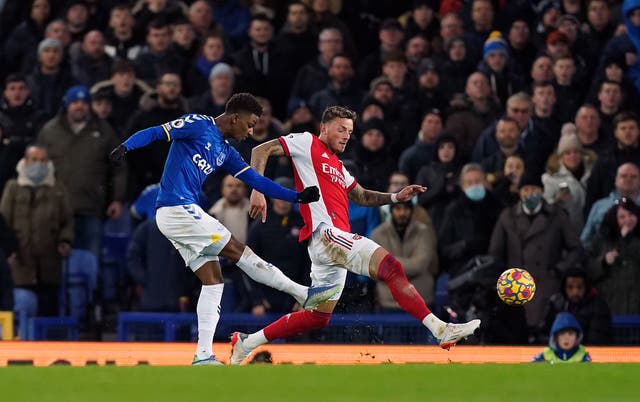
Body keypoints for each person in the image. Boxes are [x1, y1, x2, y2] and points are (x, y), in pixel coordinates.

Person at [230, 106, 480, 365]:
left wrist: (395, 197)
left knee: (318, 316)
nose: (347, 135)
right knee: (391, 267)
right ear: (324, 128)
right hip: (326, 234)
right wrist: (257, 190)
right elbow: (261, 150)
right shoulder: (307, 142)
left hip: (328, 246)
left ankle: (247, 342)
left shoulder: (338, 167)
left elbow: (361, 195)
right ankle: (440, 329)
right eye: (341, 129)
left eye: (350, 131)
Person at [109, 93, 335, 365]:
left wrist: (296, 197)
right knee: (238, 250)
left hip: (180, 214)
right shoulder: (199, 124)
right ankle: (302, 293)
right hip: (176, 209)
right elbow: (158, 132)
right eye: (250, 124)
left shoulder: (226, 151)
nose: (251, 131)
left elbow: (256, 180)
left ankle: (203, 355)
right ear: (235, 117)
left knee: (213, 280)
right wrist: (126, 146)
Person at [0, 145, 73, 318]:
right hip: (20, 263)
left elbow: (67, 221)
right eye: (34, 160)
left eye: (43, 160)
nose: (38, 164)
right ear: (25, 162)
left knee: (48, 313)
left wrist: (65, 241)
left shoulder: (58, 189)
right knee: (22, 312)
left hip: (49, 263)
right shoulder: (12, 187)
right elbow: (3, 221)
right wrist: (8, 250)